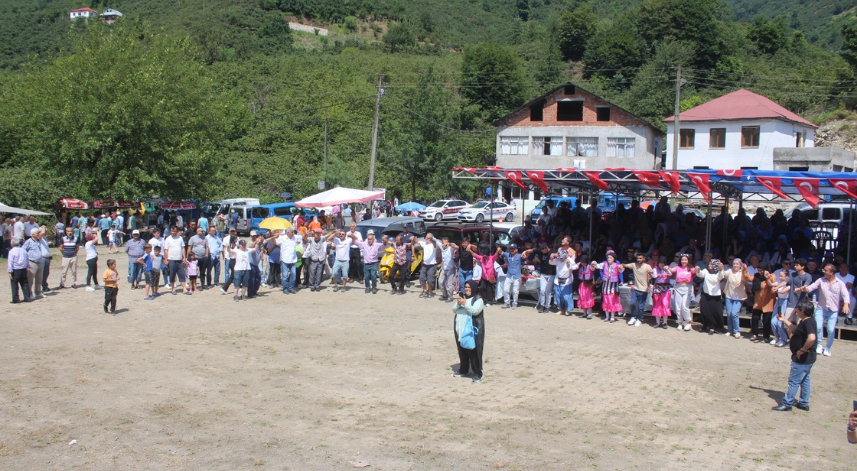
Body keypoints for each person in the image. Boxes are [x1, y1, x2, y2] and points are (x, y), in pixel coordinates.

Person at [772, 300, 817, 412]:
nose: (796, 312)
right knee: (805, 380)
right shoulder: (807, 321)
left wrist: (802, 350)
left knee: (794, 381)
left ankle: (787, 403)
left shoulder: (808, 323)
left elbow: (811, 338)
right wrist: (784, 320)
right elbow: (796, 328)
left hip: (802, 358)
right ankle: (803, 403)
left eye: (798, 310)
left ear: (802, 311)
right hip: (808, 358)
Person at [798, 263, 850, 357]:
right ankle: (819, 345)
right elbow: (812, 287)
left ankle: (828, 348)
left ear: (831, 272)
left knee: (830, 330)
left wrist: (846, 304)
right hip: (821, 308)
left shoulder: (840, 283)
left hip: (833, 310)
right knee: (817, 327)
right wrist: (806, 289)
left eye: (825, 270)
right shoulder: (821, 280)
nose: (823, 271)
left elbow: (845, 294)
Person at [453, 280, 485, 383]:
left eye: (469, 287)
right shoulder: (463, 298)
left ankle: (477, 373)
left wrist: (465, 303)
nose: (467, 289)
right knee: (462, 351)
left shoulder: (478, 299)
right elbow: (453, 310)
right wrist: (458, 303)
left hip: (472, 331)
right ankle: (463, 370)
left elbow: (475, 311)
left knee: (473, 352)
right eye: (466, 287)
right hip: (460, 329)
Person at [722, 259, 752, 339]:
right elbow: (724, 274)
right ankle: (730, 330)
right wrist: (721, 268)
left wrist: (745, 270)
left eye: (737, 264)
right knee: (729, 313)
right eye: (734, 264)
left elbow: (746, 279)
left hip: (739, 296)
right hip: (729, 295)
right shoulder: (730, 271)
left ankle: (737, 331)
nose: (735, 265)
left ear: (740, 265)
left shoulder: (742, 272)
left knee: (734, 313)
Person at [622, 252, 653, 327]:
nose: (639, 259)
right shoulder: (634, 265)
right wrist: (621, 265)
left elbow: (650, 278)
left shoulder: (647, 266)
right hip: (635, 288)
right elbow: (625, 265)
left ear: (644, 259)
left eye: (640, 258)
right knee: (632, 303)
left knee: (641, 306)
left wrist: (649, 285)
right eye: (638, 258)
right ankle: (633, 317)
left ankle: (639, 319)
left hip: (644, 290)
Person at [550, 238, 578, 316]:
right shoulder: (559, 249)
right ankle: (561, 309)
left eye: (564, 240)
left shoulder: (572, 252)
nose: (562, 241)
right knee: (558, 295)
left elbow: (573, 264)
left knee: (566, 295)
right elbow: (556, 259)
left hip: (567, 274)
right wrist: (554, 256)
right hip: (558, 274)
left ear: (568, 242)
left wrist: (568, 264)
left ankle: (568, 309)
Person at [697, 259, 727, 334]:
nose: (709, 265)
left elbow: (721, 276)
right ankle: (706, 325)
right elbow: (700, 274)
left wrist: (721, 269)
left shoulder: (718, 273)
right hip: (705, 294)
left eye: (711, 264)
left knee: (715, 312)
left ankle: (715, 327)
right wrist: (697, 270)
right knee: (704, 310)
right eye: (709, 264)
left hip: (715, 295)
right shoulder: (706, 271)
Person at [500, 243, 533, 310]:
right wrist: (498, 247)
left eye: (513, 249)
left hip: (517, 276)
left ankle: (515, 303)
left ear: (516, 250)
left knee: (515, 291)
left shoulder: (519, 256)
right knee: (505, 289)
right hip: (509, 275)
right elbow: (500, 252)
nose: (511, 250)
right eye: (510, 249)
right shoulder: (507, 254)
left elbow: (527, 256)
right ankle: (507, 303)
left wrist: (526, 252)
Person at [750, 262, 777, 343]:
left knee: (766, 321)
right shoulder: (756, 276)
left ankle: (766, 337)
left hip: (768, 301)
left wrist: (767, 277)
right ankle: (755, 334)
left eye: (762, 270)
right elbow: (748, 278)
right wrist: (744, 270)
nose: (760, 272)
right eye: (759, 270)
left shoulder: (772, 275)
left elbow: (771, 284)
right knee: (755, 318)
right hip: (758, 301)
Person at [593, 250, 623, 322]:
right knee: (606, 301)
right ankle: (607, 316)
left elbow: (621, 271)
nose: (609, 259)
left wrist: (621, 268)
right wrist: (594, 263)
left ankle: (612, 316)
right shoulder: (604, 264)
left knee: (612, 301)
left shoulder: (616, 265)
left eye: (611, 258)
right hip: (606, 286)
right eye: (608, 257)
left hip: (613, 286)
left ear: (614, 259)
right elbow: (597, 266)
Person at [163, 226, 189, 295]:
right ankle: (173, 289)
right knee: (172, 275)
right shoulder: (168, 239)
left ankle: (184, 289)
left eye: (174, 231)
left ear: (177, 231)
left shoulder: (180, 238)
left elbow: (183, 248)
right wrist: (166, 259)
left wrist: (184, 257)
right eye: (172, 231)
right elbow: (166, 250)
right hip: (171, 259)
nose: (173, 232)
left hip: (179, 259)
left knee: (182, 274)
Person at [672, 254, 695, 331]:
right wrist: (666, 268)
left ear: (688, 260)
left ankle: (688, 322)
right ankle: (680, 323)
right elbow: (672, 270)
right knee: (678, 307)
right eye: (682, 260)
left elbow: (695, 271)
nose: (683, 261)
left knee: (684, 306)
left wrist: (697, 269)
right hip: (678, 288)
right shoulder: (677, 268)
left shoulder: (691, 268)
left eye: (685, 260)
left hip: (687, 288)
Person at [22, 228, 46, 299]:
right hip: (32, 262)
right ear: (33, 234)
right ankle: (29, 294)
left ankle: (38, 292)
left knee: (39, 279)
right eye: (37, 233)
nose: (39, 234)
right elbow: (23, 250)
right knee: (30, 280)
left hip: (39, 262)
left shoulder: (39, 241)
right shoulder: (28, 242)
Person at [416, 233, 442, 298]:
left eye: (428, 238)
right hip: (425, 265)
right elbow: (417, 241)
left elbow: (437, 242)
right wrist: (413, 238)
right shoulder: (424, 243)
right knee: (422, 278)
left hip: (432, 265)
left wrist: (432, 238)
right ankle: (425, 291)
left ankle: (430, 292)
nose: (426, 239)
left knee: (430, 280)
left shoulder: (434, 245)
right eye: (426, 237)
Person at [7, 238, 32, 303]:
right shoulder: (23, 250)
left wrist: (9, 271)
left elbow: (10, 262)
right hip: (23, 269)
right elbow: (27, 259)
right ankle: (27, 298)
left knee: (14, 284)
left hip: (15, 269)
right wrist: (27, 267)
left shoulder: (12, 251)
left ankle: (16, 299)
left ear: (12, 244)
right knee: (25, 283)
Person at [651, 257, 673, 328]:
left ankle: (665, 322)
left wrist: (667, 269)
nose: (661, 265)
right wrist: (652, 272)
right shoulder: (655, 269)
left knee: (665, 304)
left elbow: (670, 274)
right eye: (660, 264)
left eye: (663, 264)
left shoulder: (667, 269)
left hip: (666, 288)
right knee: (657, 305)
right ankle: (657, 322)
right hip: (657, 288)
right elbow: (654, 276)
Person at [533, 243, 555, 313]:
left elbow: (558, 254)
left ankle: (547, 306)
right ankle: (542, 305)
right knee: (542, 290)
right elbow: (533, 251)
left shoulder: (552, 252)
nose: (542, 252)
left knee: (548, 291)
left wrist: (554, 255)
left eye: (543, 250)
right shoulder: (541, 252)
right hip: (543, 273)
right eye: (541, 250)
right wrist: (526, 251)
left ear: (546, 248)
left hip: (551, 274)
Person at [437, 237, 458, 302]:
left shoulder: (451, 247)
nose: (444, 244)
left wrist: (449, 244)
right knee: (440, 282)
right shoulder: (442, 248)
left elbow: (456, 247)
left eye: (445, 242)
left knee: (449, 284)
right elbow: (435, 240)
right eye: (443, 242)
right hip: (444, 268)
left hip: (451, 267)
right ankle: (445, 294)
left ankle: (450, 297)